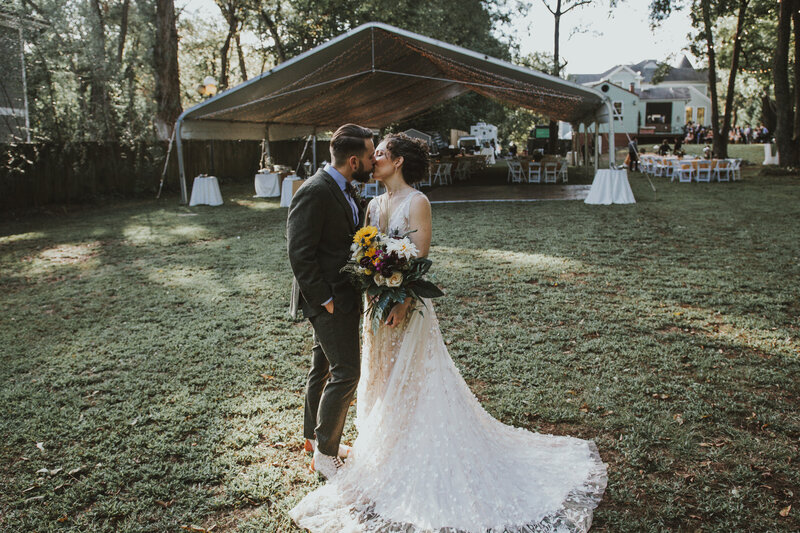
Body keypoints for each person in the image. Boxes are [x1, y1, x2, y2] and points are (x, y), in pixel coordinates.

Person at [290, 133, 607, 532]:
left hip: (407, 308)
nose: (376, 159)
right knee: (382, 376)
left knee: (415, 379)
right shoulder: (370, 204)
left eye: (383, 153)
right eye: (375, 153)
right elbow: (359, 253)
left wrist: (401, 296)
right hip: (374, 310)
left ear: (399, 161)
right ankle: (381, 445)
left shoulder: (417, 202)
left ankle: (414, 447)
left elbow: (417, 258)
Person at [286, 123, 375, 480]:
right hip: (327, 299)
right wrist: (325, 300)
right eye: (370, 156)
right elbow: (299, 252)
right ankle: (325, 453)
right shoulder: (315, 190)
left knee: (322, 367)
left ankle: (313, 438)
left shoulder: (343, 188)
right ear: (354, 160)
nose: (373, 161)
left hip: (341, 295)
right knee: (347, 372)